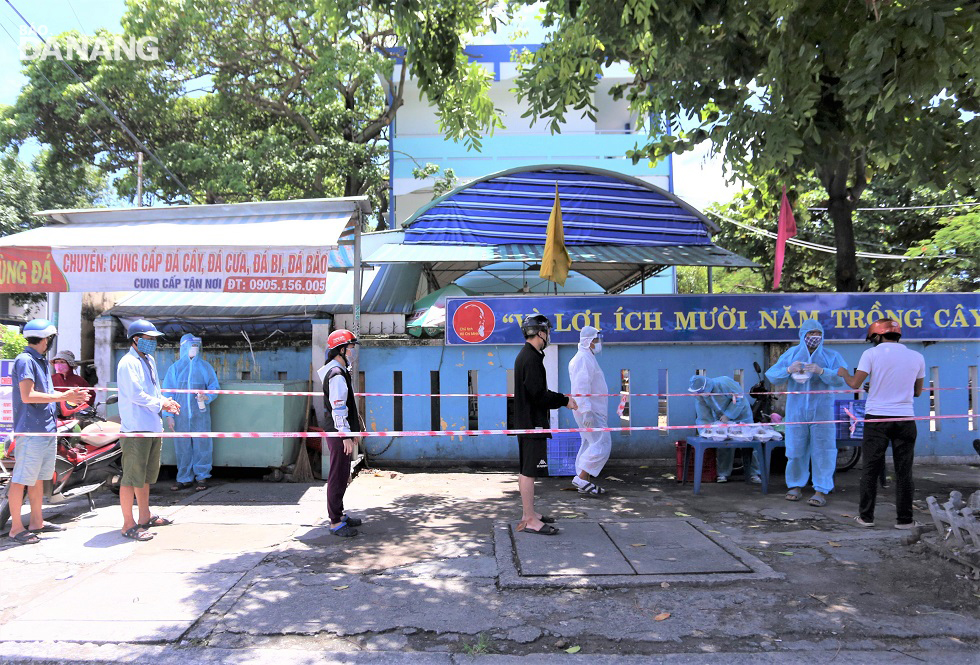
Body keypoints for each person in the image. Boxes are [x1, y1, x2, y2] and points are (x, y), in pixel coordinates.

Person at [6, 319, 90, 545]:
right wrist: (64, 397)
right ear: (46, 339)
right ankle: (15, 528)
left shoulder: (41, 361)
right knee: (21, 479)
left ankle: (37, 522)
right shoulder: (25, 360)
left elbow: (49, 397)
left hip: (45, 429)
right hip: (31, 431)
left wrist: (72, 400)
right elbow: (28, 396)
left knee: (37, 480)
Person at [838, 319, 925, 529]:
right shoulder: (917, 356)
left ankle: (866, 517)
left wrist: (843, 374)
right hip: (905, 419)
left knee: (870, 468)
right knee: (904, 471)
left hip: (877, 419)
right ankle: (905, 520)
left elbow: (854, 383)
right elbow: (917, 392)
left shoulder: (871, 354)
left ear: (877, 336)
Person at [766, 319, 847, 507]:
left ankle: (821, 489)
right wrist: (788, 369)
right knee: (795, 448)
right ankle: (795, 485)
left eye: (817, 333)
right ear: (802, 335)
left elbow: (840, 379)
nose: (814, 337)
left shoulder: (831, 356)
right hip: (797, 411)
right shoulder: (791, 354)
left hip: (822, 412)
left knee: (824, 450)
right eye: (810, 334)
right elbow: (772, 375)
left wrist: (822, 371)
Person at [116, 319, 181, 541]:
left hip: (152, 425)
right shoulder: (127, 363)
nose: (152, 342)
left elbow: (153, 390)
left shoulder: (149, 360)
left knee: (145, 477)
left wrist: (165, 401)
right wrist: (160, 403)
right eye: (148, 338)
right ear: (136, 339)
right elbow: (135, 394)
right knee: (130, 478)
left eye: (154, 339)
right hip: (136, 429)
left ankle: (145, 516)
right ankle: (128, 524)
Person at [513, 314, 577, 535]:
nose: (549, 335)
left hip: (528, 422)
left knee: (526, 471)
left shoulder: (529, 356)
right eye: (547, 331)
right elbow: (539, 395)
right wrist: (564, 400)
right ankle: (529, 519)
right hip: (532, 424)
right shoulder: (530, 359)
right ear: (540, 332)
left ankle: (528, 513)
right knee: (529, 472)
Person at [321, 329, 366, 538]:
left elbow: (348, 406)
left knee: (342, 473)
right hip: (339, 433)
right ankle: (335, 521)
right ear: (340, 349)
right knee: (338, 475)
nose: (352, 352)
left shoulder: (339, 370)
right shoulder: (336, 374)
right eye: (350, 348)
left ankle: (339, 513)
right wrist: (345, 435)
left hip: (342, 431)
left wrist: (354, 430)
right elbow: (339, 407)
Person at [163, 334, 220, 492]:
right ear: (182, 348)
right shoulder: (174, 369)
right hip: (180, 415)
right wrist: (169, 416)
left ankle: (202, 477)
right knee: (182, 447)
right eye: (190, 346)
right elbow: (168, 394)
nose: (194, 350)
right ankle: (184, 478)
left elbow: (214, 388)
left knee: (203, 445)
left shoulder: (205, 367)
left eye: (196, 346)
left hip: (200, 415)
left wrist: (206, 396)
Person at [688, 374, 762, 484]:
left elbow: (739, 397)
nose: (703, 394)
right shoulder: (700, 395)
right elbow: (703, 414)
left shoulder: (724, 382)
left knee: (749, 442)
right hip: (722, 419)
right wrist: (705, 430)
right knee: (724, 443)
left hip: (742, 415)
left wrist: (729, 414)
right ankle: (723, 473)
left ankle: (754, 473)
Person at [568, 326, 610, 495]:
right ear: (588, 341)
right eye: (595, 340)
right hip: (589, 410)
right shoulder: (583, 359)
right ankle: (581, 478)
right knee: (602, 443)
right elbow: (581, 386)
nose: (598, 343)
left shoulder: (587, 358)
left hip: (591, 409)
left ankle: (583, 482)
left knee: (590, 443)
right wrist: (586, 410)